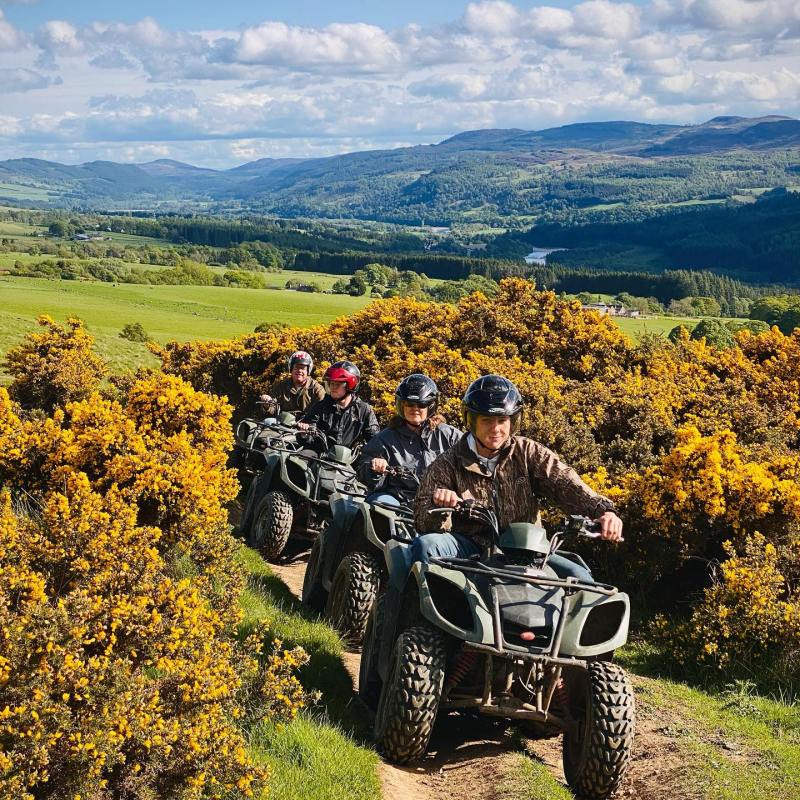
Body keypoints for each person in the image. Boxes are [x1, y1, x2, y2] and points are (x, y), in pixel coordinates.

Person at [404, 374, 623, 586]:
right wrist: (440, 504)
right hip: (472, 546)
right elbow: (422, 517)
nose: (496, 429)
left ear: (513, 421)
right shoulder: (448, 462)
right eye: (487, 420)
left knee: (580, 577)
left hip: (527, 549)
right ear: (471, 420)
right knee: (427, 545)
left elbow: (564, 482)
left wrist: (603, 511)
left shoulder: (528, 452)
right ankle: (428, 623)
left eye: (502, 420)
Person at [357, 374, 461, 507]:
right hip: (398, 499)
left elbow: (473, 461)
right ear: (401, 405)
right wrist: (374, 468)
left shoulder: (450, 436)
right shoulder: (385, 438)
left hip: (439, 502)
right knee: (379, 506)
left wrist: (452, 491)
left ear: (431, 406)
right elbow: (364, 473)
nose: (415, 409)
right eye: (409, 404)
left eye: (421, 404)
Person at [298, 360, 380, 452]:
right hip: (321, 456)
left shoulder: (363, 410)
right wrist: (304, 434)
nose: (333, 387)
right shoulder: (321, 406)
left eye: (337, 384)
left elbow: (374, 439)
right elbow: (307, 438)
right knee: (301, 459)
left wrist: (377, 456)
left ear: (350, 386)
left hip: (349, 460)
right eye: (331, 383)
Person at [261, 350, 325, 416]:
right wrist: (267, 405)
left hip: (309, 424)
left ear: (308, 371)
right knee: (268, 421)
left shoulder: (317, 389)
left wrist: (308, 422)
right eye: (296, 368)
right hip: (284, 423)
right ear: (291, 369)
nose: (299, 371)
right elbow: (272, 411)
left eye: (303, 368)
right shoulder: (281, 387)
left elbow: (321, 411)